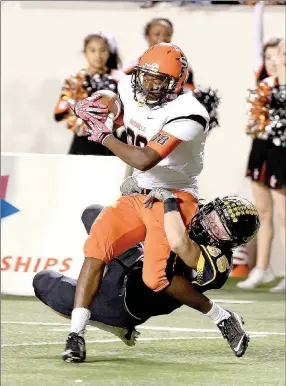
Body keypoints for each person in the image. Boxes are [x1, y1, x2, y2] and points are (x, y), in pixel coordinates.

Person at [62, 42, 211, 362]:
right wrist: (97, 103)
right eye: (145, 76)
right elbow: (115, 98)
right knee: (96, 246)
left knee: (156, 278)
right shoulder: (133, 86)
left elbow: (144, 158)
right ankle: (76, 334)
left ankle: (222, 316)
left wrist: (104, 136)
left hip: (174, 196)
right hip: (138, 191)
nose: (150, 84)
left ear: (178, 83)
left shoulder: (190, 113)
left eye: (160, 80)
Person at [33, 186, 260, 362]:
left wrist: (217, 314)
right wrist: (142, 192)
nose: (210, 223)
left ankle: (117, 326)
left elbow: (172, 266)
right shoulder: (195, 212)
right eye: (214, 215)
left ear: (230, 241)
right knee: (93, 213)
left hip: (125, 303)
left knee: (43, 281)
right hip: (136, 263)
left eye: (220, 228)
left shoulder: (216, 263)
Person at [237, 3, 285, 291]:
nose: (271, 61)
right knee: (263, 213)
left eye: (277, 57)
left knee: (283, 213)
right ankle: (262, 268)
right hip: (260, 149)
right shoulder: (263, 81)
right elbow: (257, 42)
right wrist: (260, 7)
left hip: (282, 152)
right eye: (267, 57)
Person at [54, 32, 125, 155]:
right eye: (92, 50)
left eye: (103, 50)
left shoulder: (119, 78)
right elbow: (59, 113)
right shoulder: (75, 80)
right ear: (85, 53)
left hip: (110, 142)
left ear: (109, 53)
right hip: (82, 142)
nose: (98, 55)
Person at [123, 18, 195, 90]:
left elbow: (189, 90)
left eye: (167, 35)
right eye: (157, 34)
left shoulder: (182, 66)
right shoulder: (134, 65)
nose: (162, 38)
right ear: (147, 36)